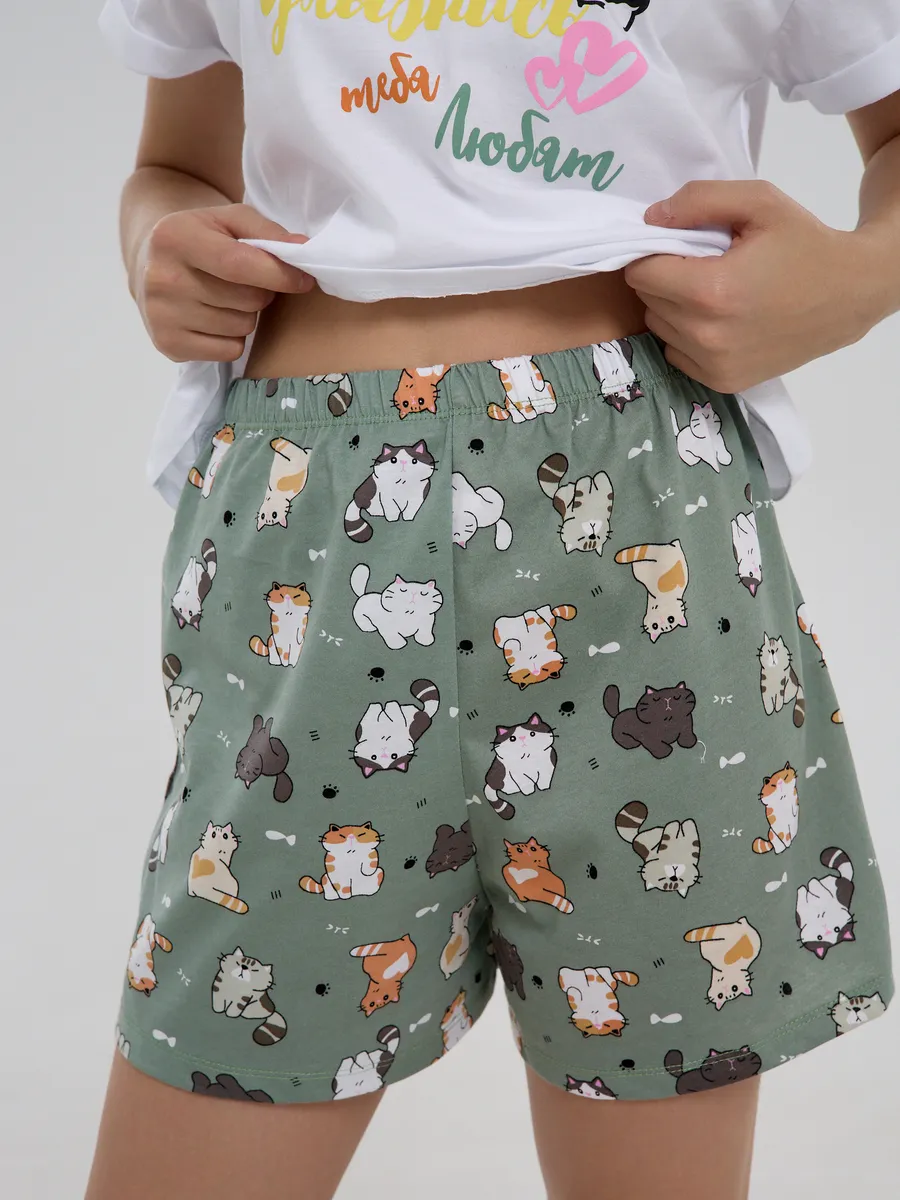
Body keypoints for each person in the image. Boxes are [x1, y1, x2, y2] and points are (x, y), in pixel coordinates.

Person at [87, 3, 898, 1197]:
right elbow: (175, 164)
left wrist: (861, 278)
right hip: (310, 550)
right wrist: (153, 242)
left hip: (643, 547)